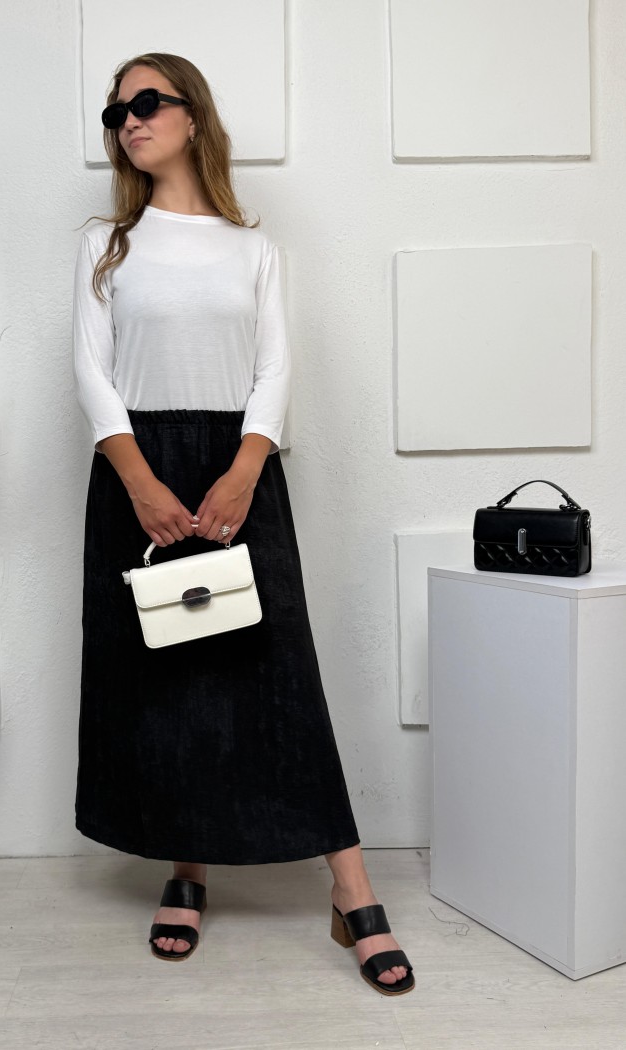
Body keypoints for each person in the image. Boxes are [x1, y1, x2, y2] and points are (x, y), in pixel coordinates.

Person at [72, 52, 414, 996]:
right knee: (167, 677)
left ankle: (350, 890)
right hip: (135, 473)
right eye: (116, 111)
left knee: (276, 676)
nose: (129, 120)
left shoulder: (251, 248)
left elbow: (275, 366)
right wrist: (141, 484)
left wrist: (245, 468)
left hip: (240, 471)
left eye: (147, 102)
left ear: (193, 116)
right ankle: (186, 869)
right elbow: (91, 370)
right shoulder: (106, 243)